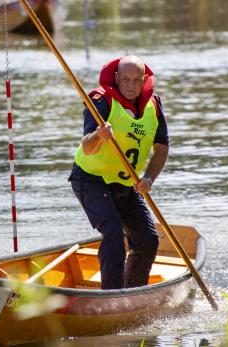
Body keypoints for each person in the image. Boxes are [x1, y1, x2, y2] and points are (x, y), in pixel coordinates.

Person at [69, 55, 170, 289]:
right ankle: (112, 294)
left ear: (144, 80)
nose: (131, 86)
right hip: (91, 179)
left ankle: (134, 292)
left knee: (148, 240)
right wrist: (99, 136)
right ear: (116, 78)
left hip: (126, 184)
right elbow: (87, 146)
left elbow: (162, 147)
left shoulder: (153, 105)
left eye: (137, 80)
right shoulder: (100, 101)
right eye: (125, 79)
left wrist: (149, 179)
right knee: (113, 232)